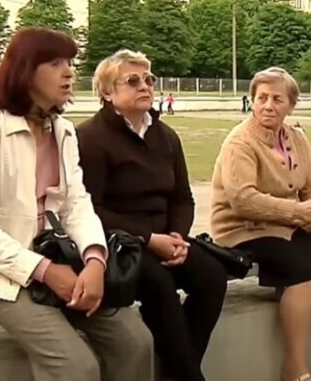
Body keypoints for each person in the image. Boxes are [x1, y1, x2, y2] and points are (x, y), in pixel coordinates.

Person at [0, 27, 154, 381]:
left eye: (70, 63)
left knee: (135, 343)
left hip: (60, 260)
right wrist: (44, 270)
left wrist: (95, 259)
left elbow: (76, 203)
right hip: (0, 275)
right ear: (26, 70)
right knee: (76, 366)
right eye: (55, 63)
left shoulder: (62, 130)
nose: (69, 72)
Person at [210, 66, 311, 381]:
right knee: (303, 271)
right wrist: (299, 213)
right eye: (261, 98)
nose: (268, 106)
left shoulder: (296, 138)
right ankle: (294, 367)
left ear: (291, 105)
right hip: (243, 229)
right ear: (252, 100)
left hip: (287, 225)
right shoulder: (240, 142)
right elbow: (243, 200)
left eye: (277, 99)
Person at [77, 49, 227, 381]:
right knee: (159, 284)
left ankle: (177, 371)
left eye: (149, 79)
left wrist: (177, 236)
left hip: (165, 238)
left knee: (212, 276)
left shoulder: (166, 136)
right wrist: (148, 239)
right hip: (119, 243)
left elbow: (183, 198)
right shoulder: (90, 138)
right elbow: (90, 209)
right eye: (132, 81)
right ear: (107, 93)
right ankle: (189, 376)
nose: (145, 86)